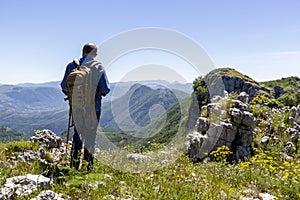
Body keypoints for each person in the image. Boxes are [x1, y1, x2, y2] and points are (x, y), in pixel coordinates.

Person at [61, 43, 110, 171]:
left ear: (82, 52)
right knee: (90, 136)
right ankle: (88, 167)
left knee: (77, 135)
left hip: (77, 107)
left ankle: (73, 165)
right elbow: (105, 89)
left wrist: (75, 96)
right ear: (95, 54)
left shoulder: (72, 66)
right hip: (93, 108)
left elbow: (64, 86)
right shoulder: (98, 67)